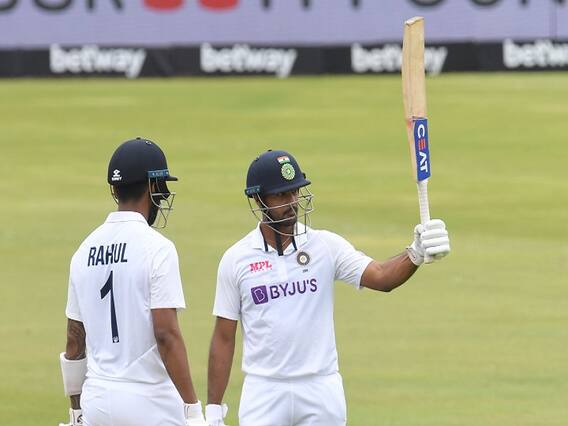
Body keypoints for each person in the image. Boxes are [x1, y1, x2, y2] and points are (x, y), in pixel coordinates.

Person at [205, 149, 451, 426]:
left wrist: (415, 253)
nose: (292, 202)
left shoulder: (324, 246)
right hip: (264, 389)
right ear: (258, 199)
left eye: (295, 192)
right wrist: (213, 410)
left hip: (320, 386)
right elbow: (224, 337)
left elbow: (382, 277)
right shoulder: (236, 259)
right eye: (281, 195)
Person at [58, 137, 207, 426]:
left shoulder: (83, 251)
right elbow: (166, 334)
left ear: (115, 190)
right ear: (152, 187)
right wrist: (192, 409)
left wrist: (76, 412)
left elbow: (74, 341)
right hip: (150, 401)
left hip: (97, 401)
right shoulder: (158, 248)